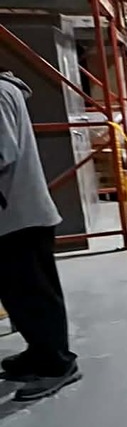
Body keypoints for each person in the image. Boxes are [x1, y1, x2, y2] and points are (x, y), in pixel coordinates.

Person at [0, 71, 81, 402]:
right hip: (10, 216)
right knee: (18, 295)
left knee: (35, 293)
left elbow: (2, 153)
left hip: (20, 215)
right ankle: (38, 352)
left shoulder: (0, 93)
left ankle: (58, 365)